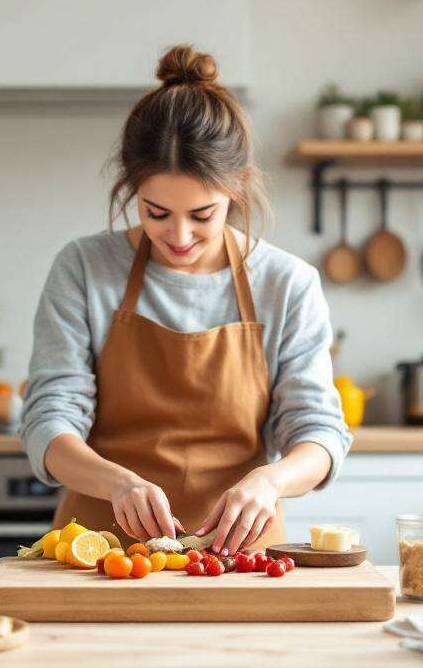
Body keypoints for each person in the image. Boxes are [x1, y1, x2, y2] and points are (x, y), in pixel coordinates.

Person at [19, 45, 350, 556]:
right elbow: (50, 419)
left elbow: (319, 432)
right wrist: (115, 484)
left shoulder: (287, 283)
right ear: (131, 189)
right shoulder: (84, 269)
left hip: (240, 557)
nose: (177, 236)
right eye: (156, 213)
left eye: (202, 215)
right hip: (101, 553)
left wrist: (270, 481)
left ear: (237, 187)